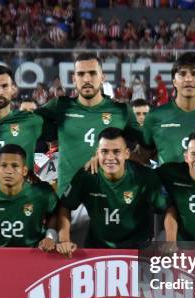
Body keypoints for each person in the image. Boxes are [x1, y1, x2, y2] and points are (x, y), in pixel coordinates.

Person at [35, 52, 143, 197]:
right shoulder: (60, 106)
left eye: (92, 73)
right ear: (74, 79)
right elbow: (27, 125)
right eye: (81, 74)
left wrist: (118, 159)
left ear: (102, 77)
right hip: (68, 201)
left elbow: (145, 147)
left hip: (109, 199)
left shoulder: (121, 111)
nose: (86, 79)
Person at [57, 127, 166, 256]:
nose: (110, 157)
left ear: (126, 153)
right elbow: (64, 206)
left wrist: (167, 240)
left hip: (138, 250)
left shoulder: (144, 176)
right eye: (104, 151)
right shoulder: (86, 175)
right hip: (97, 249)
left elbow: (167, 208)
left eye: (116, 152)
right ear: (97, 153)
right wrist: (63, 239)